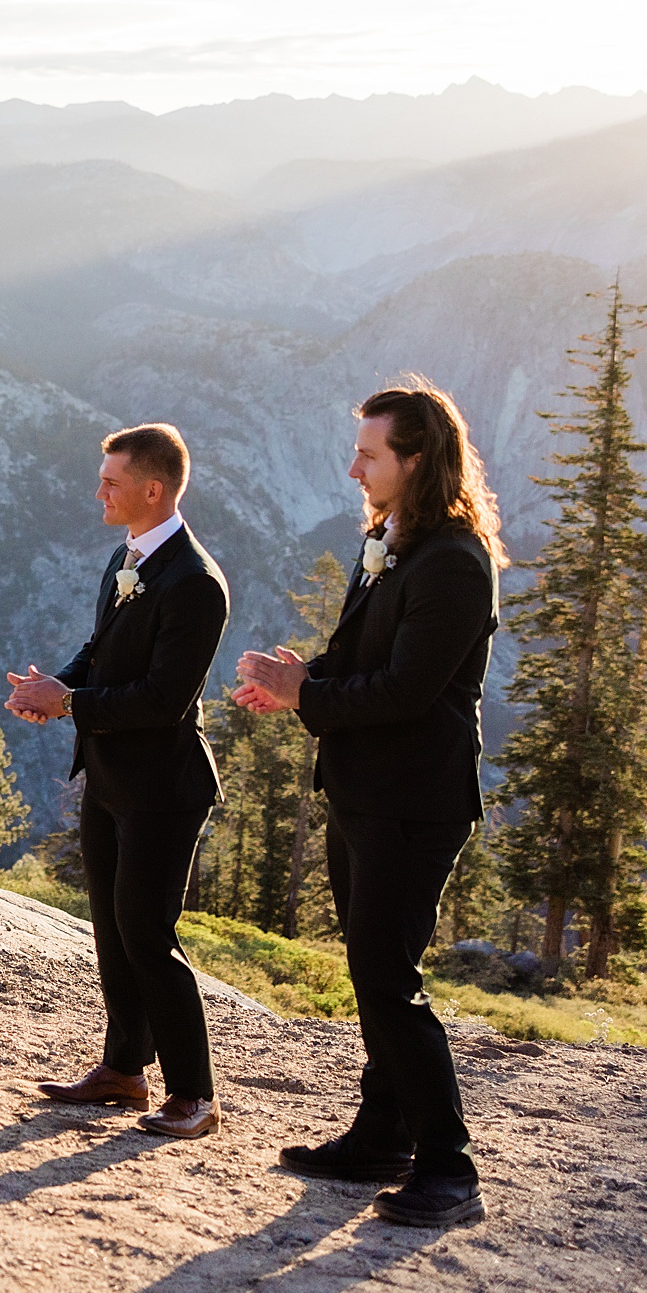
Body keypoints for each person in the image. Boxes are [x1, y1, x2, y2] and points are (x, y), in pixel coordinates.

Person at [234, 380, 503, 1229]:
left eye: (370, 454)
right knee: (370, 967)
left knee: (388, 978)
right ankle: (382, 1133)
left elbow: (408, 691)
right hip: (363, 790)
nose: (354, 467)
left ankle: (449, 1168)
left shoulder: (456, 561)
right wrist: (300, 681)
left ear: (416, 460)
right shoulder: (390, 542)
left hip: (416, 801)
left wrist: (307, 693)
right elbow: (361, 657)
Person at [5, 423, 229, 1140]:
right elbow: (99, 651)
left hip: (165, 785)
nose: (97, 490)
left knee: (147, 930)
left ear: (153, 489)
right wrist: (56, 683)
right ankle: (125, 1069)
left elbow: (164, 698)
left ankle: (195, 1092)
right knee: (110, 926)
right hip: (108, 776)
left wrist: (68, 703)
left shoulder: (196, 583)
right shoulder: (124, 558)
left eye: (111, 480)